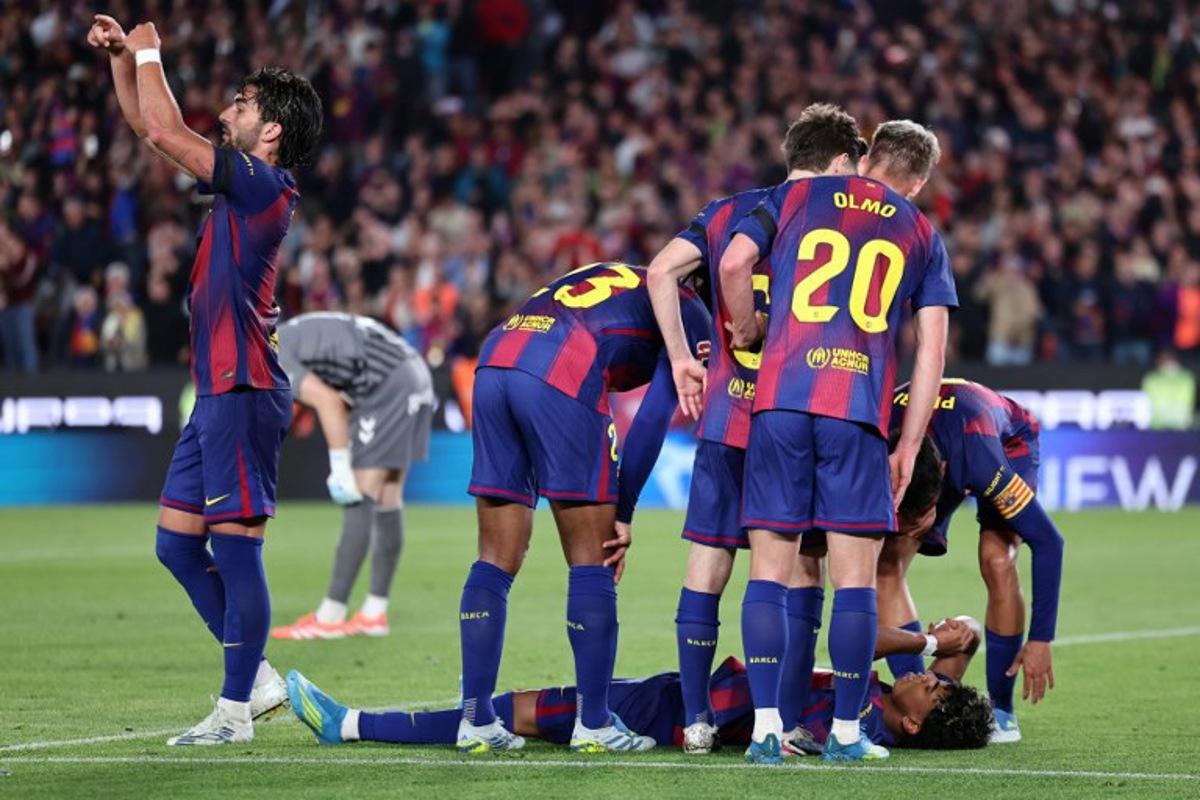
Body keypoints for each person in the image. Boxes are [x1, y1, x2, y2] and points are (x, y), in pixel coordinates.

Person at [87, 13, 322, 745]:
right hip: (220, 387)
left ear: (272, 132)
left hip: (244, 387)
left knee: (235, 546)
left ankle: (232, 714)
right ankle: (254, 679)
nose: (225, 115)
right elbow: (147, 126)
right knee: (177, 544)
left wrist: (150, 45)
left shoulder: (263, 183)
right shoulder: (242, 183)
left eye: (242, 106)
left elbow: (164, 132)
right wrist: (126, 60)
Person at [721, 113, 957, 763]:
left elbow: (737, 260)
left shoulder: (797, 194)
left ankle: (768, 729)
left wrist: (748, 329)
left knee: (770, 571)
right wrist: (908, 446)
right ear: (917, 180)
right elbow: (930, 351)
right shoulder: (919, 229)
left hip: (782, 402)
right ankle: (848, 735)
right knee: (854, 582)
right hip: (857, 412)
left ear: (868, 155)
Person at [645, 117, 868, 756]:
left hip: (725, 418)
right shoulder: (841, 221)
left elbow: (660, 273)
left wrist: (684, 355)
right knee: (800, 571)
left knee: (708, 566)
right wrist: (749, 328)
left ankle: (695, 722)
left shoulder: (729, 212)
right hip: (800, 414)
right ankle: (788, 720)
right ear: (839, 160)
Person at [457, 262, 711, 754]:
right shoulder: (691, 309)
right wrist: (626, 508)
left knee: (495, 557)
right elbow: (657, 413)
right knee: (593, 558)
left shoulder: (626, 272)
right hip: (563, 362)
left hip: (497, 356)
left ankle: (476, 719)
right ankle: (593, 722)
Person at [285, 617, 990, 752]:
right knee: (519, 715)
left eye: (930, 689)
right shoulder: (873, 715)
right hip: (684, 703)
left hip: (672, 712)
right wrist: (966, 647)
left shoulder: (859, 720)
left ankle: (349, 723)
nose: (927, 677)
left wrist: (931, 641)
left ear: (915, 724)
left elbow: (852, 636)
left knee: (510, 713)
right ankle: (353, 721)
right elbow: (943, 687)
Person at [881, 378, 1065, 743]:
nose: (912, 525)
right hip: (920, 444)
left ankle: (1002, 711)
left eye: (920, 513)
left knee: (996, 559)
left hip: (1004, 441)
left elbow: (1048, 542)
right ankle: (921, 702)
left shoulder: (980, 461)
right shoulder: (878, 438)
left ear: (944, 486)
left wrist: (1041, 638)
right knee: (886, 564)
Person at [269, 312, 434, 640]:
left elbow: (328, 401)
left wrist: (340, 466)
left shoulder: (272, 351)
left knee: (358, 494)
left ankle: (331, 616)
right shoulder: (291, 332)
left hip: (387, 382)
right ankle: (374, 612)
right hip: (413, 373)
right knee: (388, 494)